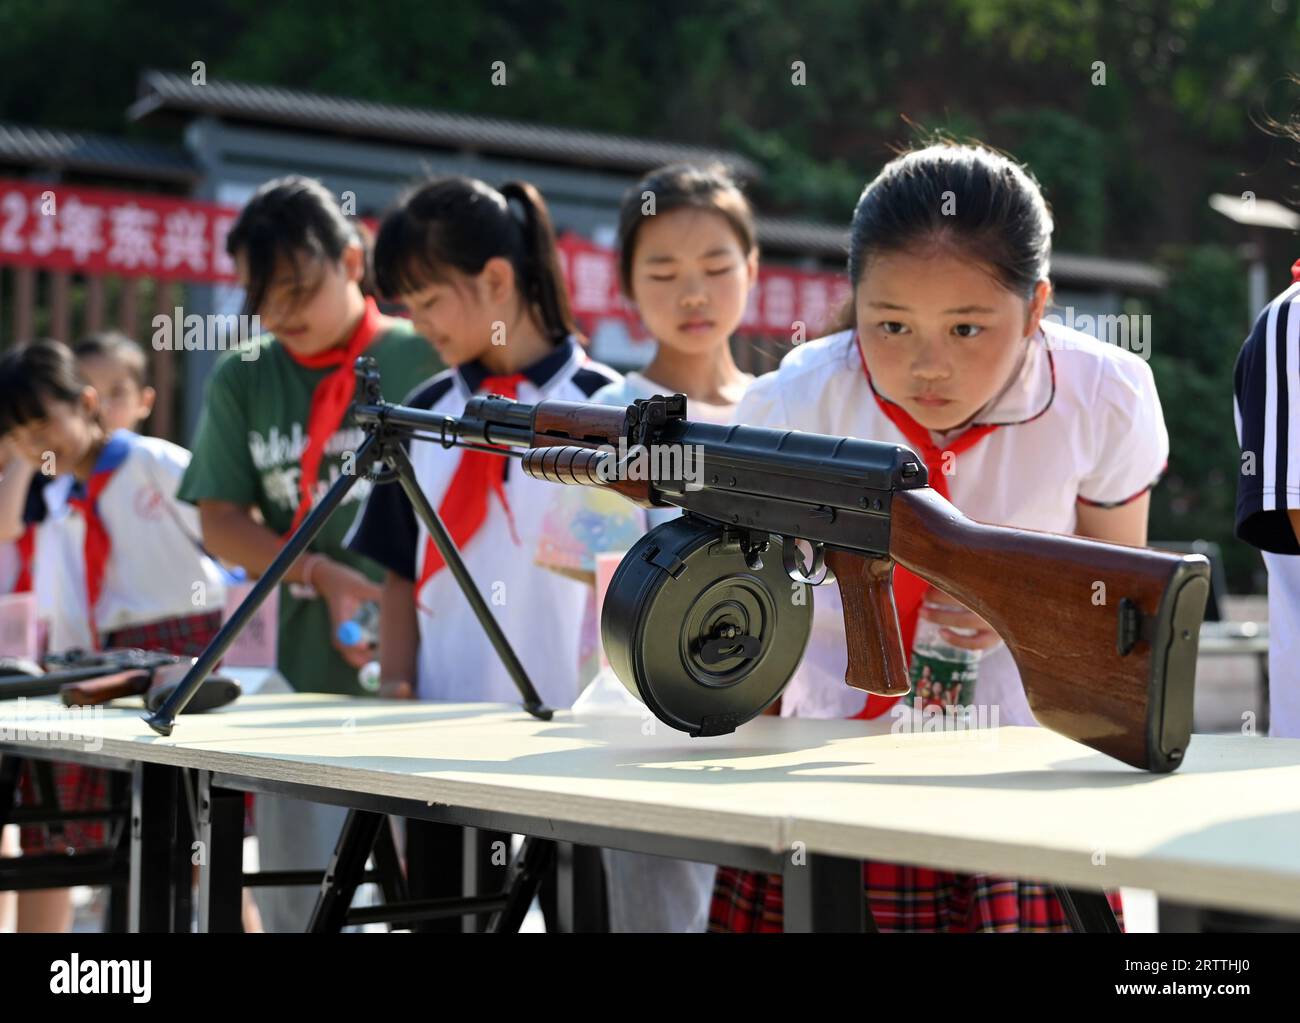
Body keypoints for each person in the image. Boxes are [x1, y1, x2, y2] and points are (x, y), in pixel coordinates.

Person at [711, 143, 1168, 932]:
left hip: (1019, 780)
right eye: (890, 325)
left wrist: (1032, 609)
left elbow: (1120, 611)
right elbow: (747, 606)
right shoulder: (792, 404)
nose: (928, 365)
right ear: (854, 299)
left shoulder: (1102, 397)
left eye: (967, 328)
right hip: (826, 769)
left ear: (1035, 308)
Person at [346, 176, 620, 930]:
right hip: (441, 736)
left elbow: (622, 576)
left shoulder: (605, 406)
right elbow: (399, 568)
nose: (414, 320)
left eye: (428, 299)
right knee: (440, 919)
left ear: (497, 278)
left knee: (577, 915)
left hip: (570, 744)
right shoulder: (423, 415)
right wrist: (395, 687)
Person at [177, 175, 443, 930]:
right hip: (299, 685)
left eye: (298, 286)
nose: (282, 312)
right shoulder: (246, 374)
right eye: (262, 296)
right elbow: (221, 519)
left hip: (429, 685)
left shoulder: (425, 355)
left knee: (431, 896)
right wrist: (318, 571)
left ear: (353, 260)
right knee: (304, 904)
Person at [552, 162, 758, 932]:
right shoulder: (608, 412)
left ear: (753, 269)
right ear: (628, 286)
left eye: (715, 266)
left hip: (770, 716)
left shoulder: (783, 406)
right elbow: (589, 566)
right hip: (645, 722)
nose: (693, 293)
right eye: (663, 271)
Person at [0, 338, 228, 931]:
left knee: (195, 839)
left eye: (43, 422)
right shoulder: (57, 500)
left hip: (186, 653)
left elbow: (227, 542)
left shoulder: (153, 462)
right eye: (19, 435)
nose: (36, 443)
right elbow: (68, 601)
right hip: (105, 670)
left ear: (88, 401)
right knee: (82, 835)